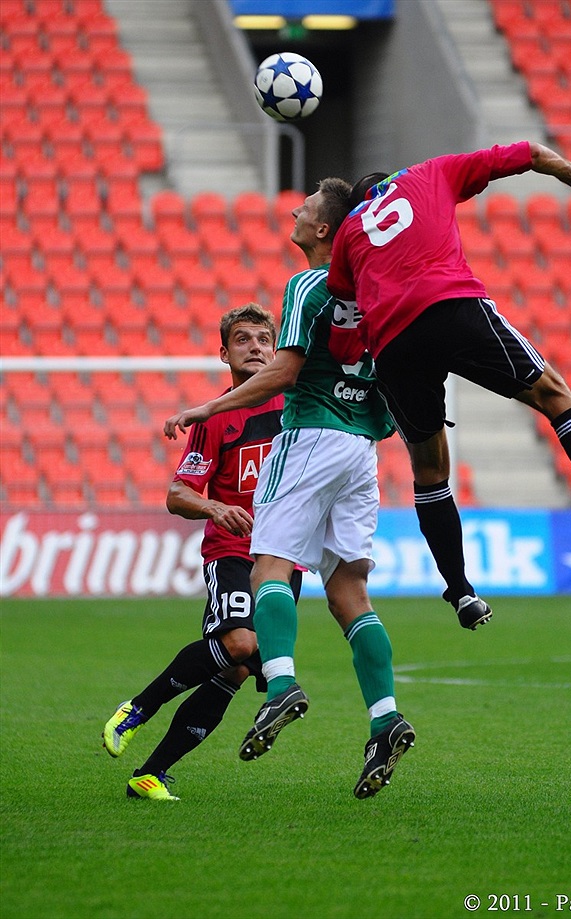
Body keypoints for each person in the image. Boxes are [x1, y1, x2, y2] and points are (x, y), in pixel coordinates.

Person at [325, 142, 571, 626]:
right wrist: (570, 172)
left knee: (429, 471)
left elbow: (344, 300)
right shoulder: (429, 172)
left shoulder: (347, 234)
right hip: (450, 305)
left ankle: (461, 590)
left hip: (392, 343)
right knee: (555, 397)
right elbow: (528, 152)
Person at [164, 178, 415, 800]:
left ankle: (280, 685)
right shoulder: (383, 292)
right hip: (363, 449)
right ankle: (384, 718)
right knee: (349, 591)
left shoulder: (310, 284)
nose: (294, 215)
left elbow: (284, 368)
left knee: (269, 565)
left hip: (310, 435)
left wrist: (205, 408)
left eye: (303, 211)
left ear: (325, 230)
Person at [102, 304, 303, 801]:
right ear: (224, 353)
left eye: (263, 339)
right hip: (233, 549)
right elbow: (178, 494)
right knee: (238, 645)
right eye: (243, 340)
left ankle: (150, 774)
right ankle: (137, 709)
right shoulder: (218, 417)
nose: (255, 347)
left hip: (285, 555)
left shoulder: (299, 407)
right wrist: (215, 508)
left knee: (235, 669)